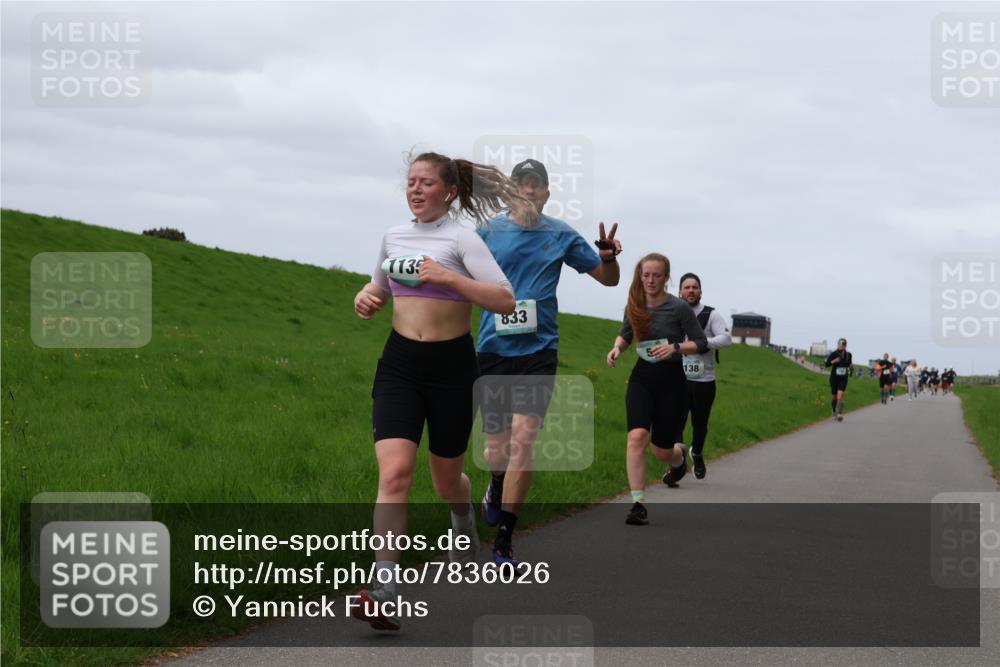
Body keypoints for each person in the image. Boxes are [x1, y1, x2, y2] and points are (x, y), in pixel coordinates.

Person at [351, 151, 531, 631]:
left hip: (452, 370)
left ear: (448, 191)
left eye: (425, 183)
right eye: (410, 182)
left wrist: (448, 276)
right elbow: (378, 288)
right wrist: (365, 298)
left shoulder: (462, 240)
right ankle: (384, 589)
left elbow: (505, 298)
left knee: (446, 480)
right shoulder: (392, 236)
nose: (415, 190)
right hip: (400, 366)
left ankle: (462, 518)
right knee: (394, 474)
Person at [476, 158, 623, 566]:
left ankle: (504, 539)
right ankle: (494, 483)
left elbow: (607, 279)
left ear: (546, 192)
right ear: (512, 189)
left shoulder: (560, 234)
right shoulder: (487, 232)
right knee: (496, 450)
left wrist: (608, 257)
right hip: (492, 348)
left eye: (536, 184)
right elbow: (457, 274)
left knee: (524, 440)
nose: (528, 190)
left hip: (539, 352)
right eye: (521, 183)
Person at [606, 253, 708, 525]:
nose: (650, 280)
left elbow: (701, 343)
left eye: (657, 275)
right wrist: (617, 348)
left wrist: (675, 347)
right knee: (636, 437)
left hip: (672, 381)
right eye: (646, 275)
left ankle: (678, 461)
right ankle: (637, 504)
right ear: (640, 276)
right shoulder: (634, 305)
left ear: (666, 278)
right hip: (642, 377)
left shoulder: (679, 308)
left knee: (661, 450)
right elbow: (626, 333)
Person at [675, 273, 732, 480]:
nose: (691, 290)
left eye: (695, 287)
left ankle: (696, 452)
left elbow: (726, 339)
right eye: (687, 287)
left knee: (700, 423)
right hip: (677, 379)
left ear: (700, 291)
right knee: (676, 423)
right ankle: (677, 463)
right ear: (679, 291)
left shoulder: (711, 315)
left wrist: (702, 343)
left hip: (704, 381)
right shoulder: (673, 312)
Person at [824, 339, 853, 421]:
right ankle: (833, 411)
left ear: (846, 345)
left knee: (840, 395)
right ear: (838, 344)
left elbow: (850, 364)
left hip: (843, 377)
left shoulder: (849, 355)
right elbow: (826, 364)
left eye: (844, 344)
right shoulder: (833, 354)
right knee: (834, 397)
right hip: (834, 377)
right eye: (840, 343)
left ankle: (839, 413)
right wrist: (834, 361)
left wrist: (851, 369)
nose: (842, 345)